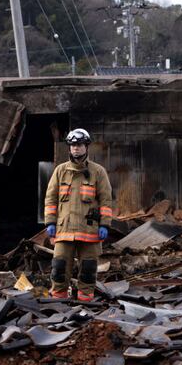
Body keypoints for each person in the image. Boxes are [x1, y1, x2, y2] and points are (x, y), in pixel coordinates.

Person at [43, 128, 113, 301]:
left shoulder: (98, 172)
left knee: (89, 268)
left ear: (86, 147)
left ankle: (86, 297)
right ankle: (58, 296)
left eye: (80, 145)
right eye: (73, 145)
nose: (76, 148)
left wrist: (104, 224)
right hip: (64, 228)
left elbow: (106, 200)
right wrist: (50, 222)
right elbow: (50, 198)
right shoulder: (60, 171)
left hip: (89, 229)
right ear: (69, 148)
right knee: (59, 265)